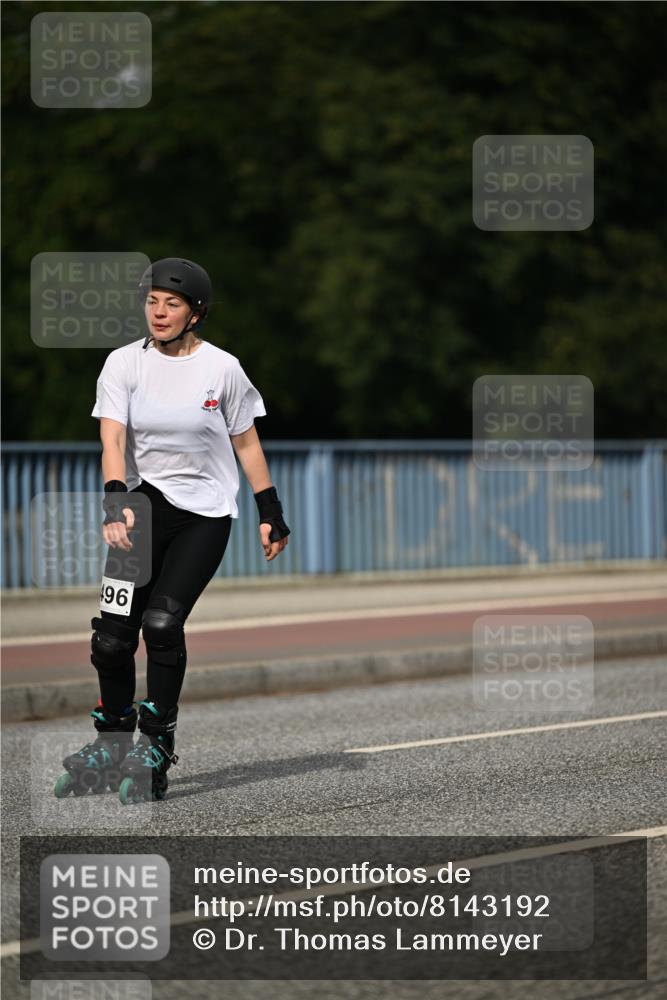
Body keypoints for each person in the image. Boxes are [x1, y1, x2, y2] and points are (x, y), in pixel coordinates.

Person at [54, 258, 290, 804]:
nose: (159, 313)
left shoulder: (222, 369)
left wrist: (270, 509)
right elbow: (113, 439)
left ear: (196, 313)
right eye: (152, 301)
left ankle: (156, 743)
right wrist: (116, 500)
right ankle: (111, 742)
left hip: (204, 513)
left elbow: (246, 442)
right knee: (112, 636)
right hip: (141, 507)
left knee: (161, 621)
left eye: (172, 304)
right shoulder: (122, 364)